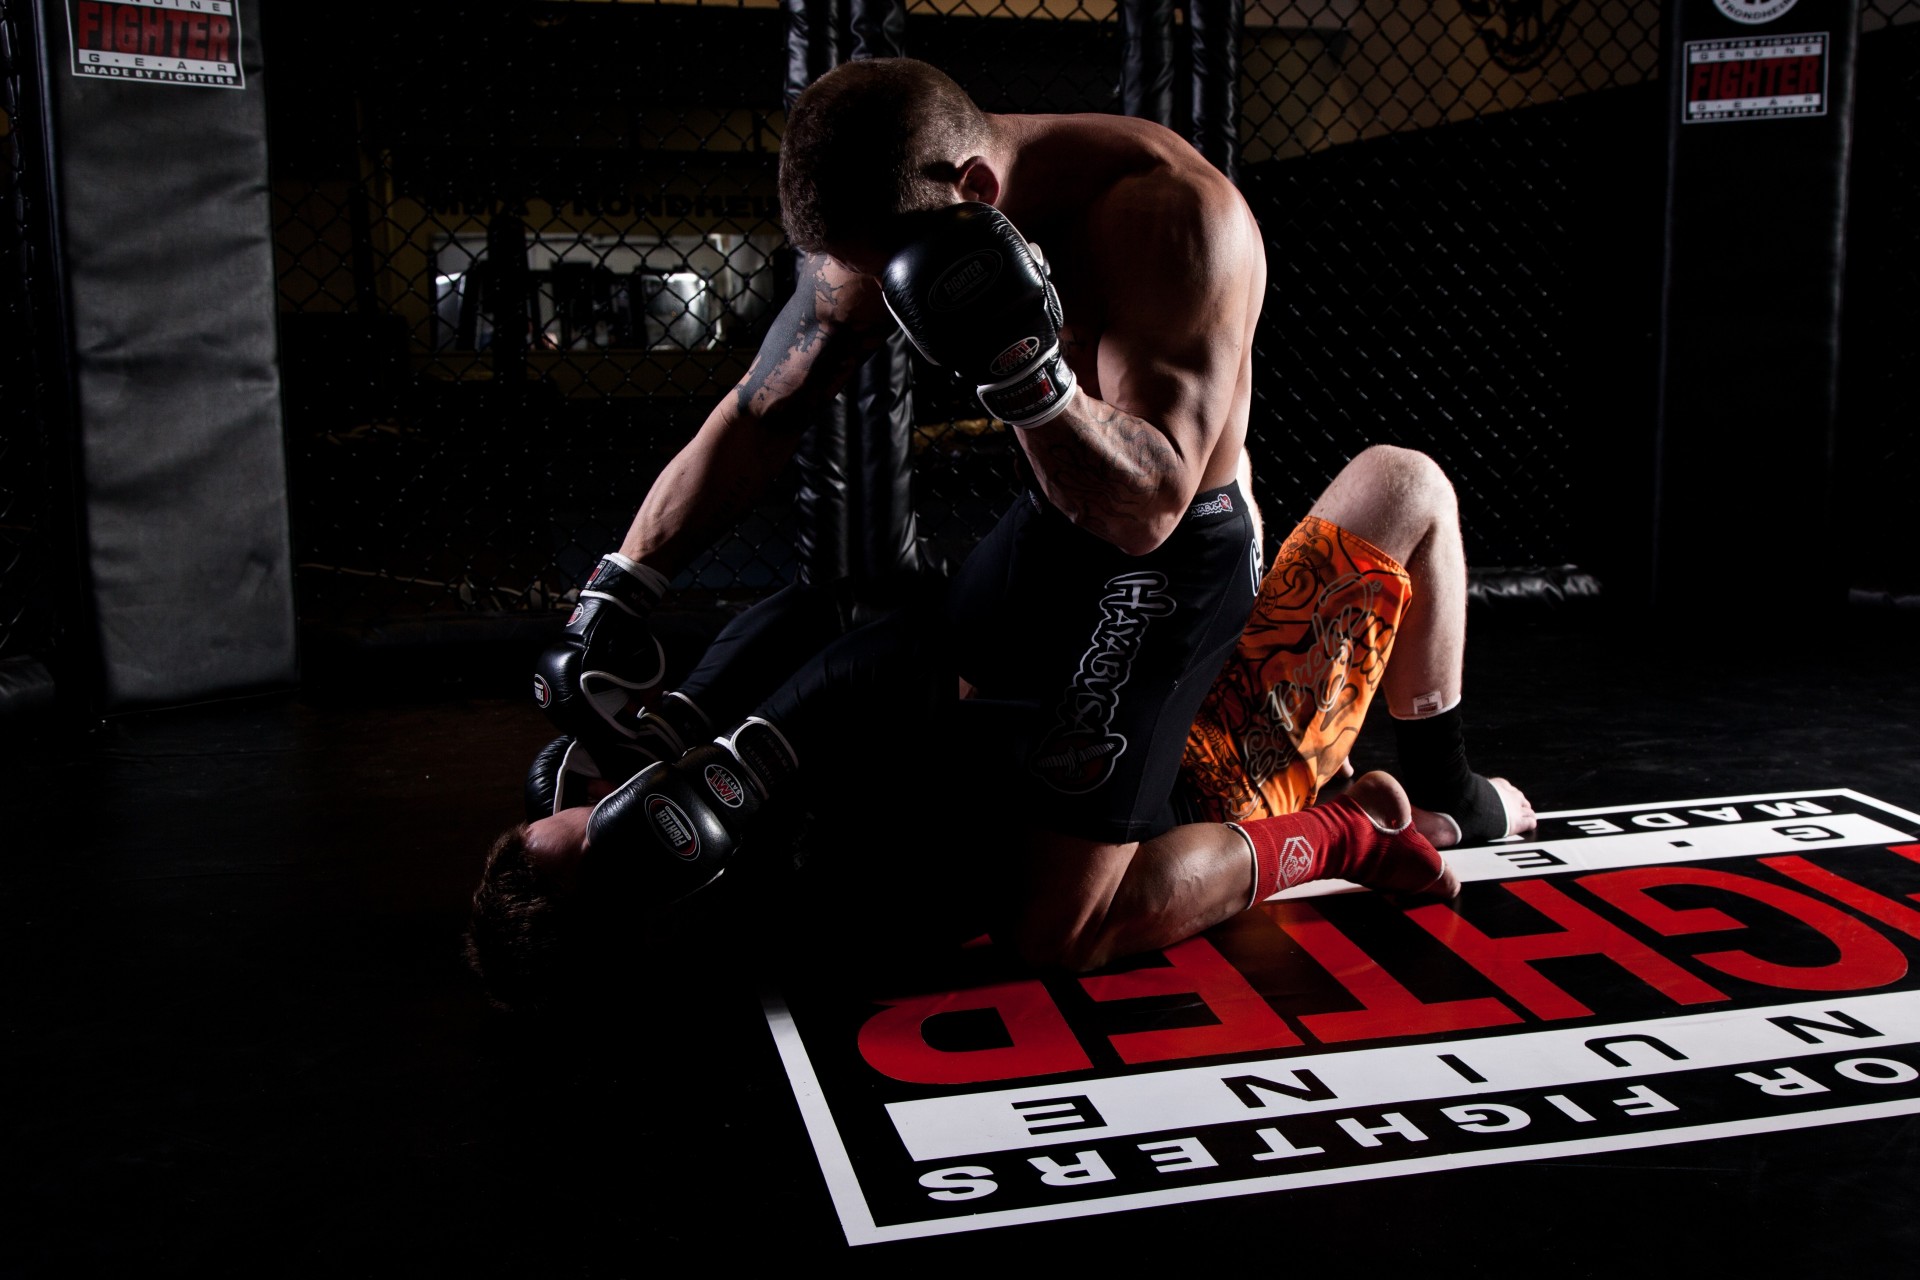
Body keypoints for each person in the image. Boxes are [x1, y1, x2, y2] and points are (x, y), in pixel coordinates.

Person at [508, 56, 1531, 994]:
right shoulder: (897, 209)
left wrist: (1028, 374)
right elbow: (761, 410)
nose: (880, 302)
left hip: (1168, 562)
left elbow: (1152, 509)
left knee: (1059, 929)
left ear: (976, 195)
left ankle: (1351, 826)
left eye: (892, 270)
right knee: (882, 657)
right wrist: (625, 581)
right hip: (1054, 518)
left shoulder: (1172, 218)